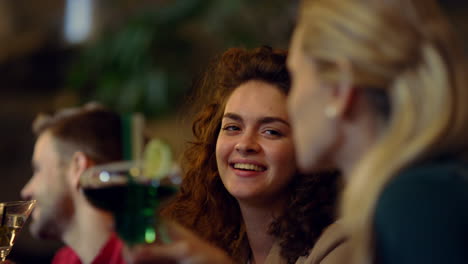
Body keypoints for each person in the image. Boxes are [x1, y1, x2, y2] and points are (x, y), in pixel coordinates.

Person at [287, 0, 468, 263]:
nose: (289, 102)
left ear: (340, 88)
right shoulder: (424, 192)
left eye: (294, 77)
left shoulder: (416, 202)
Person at [130, 46, 341, 264]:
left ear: (308, 146)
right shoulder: (216, 240)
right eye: (232, 127)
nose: (244, 144)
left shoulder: (338, 245)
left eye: (271, 131)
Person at [21, 103, 126, 264]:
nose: (25, 191)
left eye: (38, 170)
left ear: (78, 167)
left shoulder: (144, 257)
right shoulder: (64, 260)